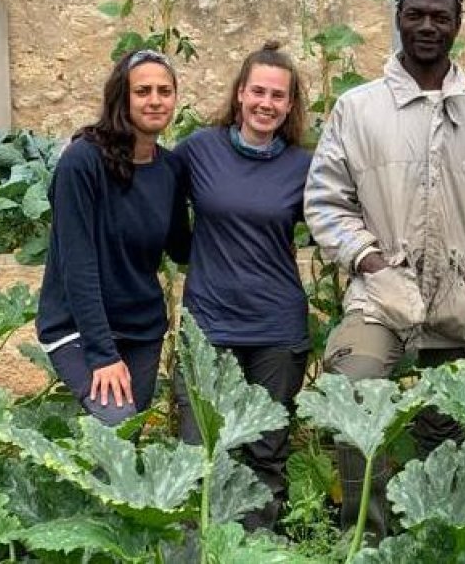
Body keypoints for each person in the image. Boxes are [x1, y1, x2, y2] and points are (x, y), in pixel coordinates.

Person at [304, 0, 465, 538]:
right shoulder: (358, 110)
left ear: (457, 27)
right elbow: (327, 202)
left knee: (451, 429)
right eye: (416, 14)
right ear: (398, 19)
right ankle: (369, 537)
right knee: (352, 397)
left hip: (456, 300)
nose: (428, 26)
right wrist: (373, 266)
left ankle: (438, 535)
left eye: (440, 17)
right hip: (380, 298)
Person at [172, 41, 313, 531]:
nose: (266, 103)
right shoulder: (197, 151)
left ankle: (256, 548)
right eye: (258, 91)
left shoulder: (302, 166)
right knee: (201, 452)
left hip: (276, 330)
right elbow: (160, 209)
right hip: (209, 327)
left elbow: (338, 221)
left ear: (290, 105)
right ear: (239, 94)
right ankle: (202, 550)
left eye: (278, 96)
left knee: (265, 454)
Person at [36, 48, 190, 426]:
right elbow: (78, 264)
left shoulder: (169, 168)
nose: (155, 100)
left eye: (164, 91)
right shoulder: (82, 162)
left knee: (125, 448)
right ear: (121, 97)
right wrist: (102, 354)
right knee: (118, 422)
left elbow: (183, 249)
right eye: (143, 91)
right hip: (79, 329)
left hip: (142, 331)